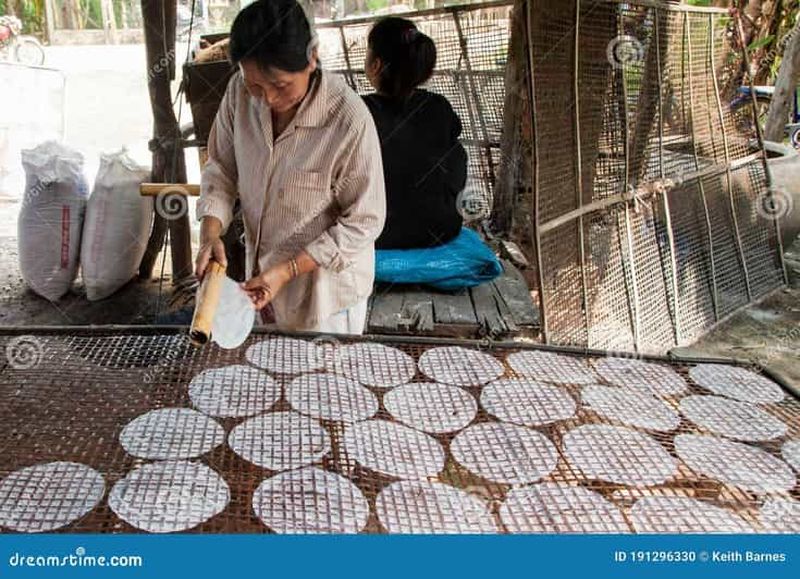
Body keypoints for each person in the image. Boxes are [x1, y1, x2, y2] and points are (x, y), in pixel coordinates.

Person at [195, 0, 386, 334]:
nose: (267, 99)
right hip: (263, 285)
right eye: (255, 85)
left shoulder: (348, 120)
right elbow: (221, 169)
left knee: (324, 368)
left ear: (312, 58)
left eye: (281, 85)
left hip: (326, 300)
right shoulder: (238, 94)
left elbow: (364, 221)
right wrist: (210, 234)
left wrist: (289, 270)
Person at [363, 17, 467, 250]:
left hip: (379, 233)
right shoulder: (438, 106)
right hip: (443, 228)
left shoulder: (359, 111)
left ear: (376, 64)